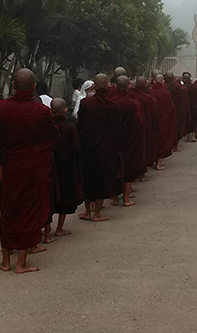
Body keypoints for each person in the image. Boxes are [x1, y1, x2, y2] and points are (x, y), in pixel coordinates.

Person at [0, 69, 60, 274]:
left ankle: (5, 261)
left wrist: (3, 162)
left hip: (10, 167)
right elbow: (53, 136)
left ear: (13, 85)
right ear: (33, 88)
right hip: (33, 168)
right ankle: (21, 263)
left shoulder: (0, 108)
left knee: (10, 210)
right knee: (29, 212)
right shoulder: (41, 112)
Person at [77, 74, 122, 222]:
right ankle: (97, 213)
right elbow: (117, 127)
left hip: (88, 147)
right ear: (108, 86)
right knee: (103, 179)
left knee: (88, 178)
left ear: (95, 87)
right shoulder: (113, 105)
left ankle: (87, 212)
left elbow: (80, 125)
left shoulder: (86, 103)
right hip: (107, 147)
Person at [50, 98, 84, 237]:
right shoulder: (69, 128)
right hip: (66, 167)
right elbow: (76, 149)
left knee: (49, 197)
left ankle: (46, 231)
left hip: (50, 166)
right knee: (64, 197)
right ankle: (59, 228)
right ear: (65, 111)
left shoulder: (47, 127)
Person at [111, 75, 146, 207]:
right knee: (129, 167)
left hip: (114, 140)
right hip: (129, 139)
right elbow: (139, 123)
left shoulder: (111, 101)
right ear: (128, 86)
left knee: (115, 167)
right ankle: (126, 199)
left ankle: (115, 199)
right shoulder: (132, 103)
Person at [150, 74, 177, 170]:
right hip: (163, 119)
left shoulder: (150, 92)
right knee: (163, 140)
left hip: (152, 120)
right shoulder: (165, 93)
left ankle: (153, 161)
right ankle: (159, 163)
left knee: (153, 139)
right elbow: (170, 107)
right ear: (162, 81)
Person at [132, 76, 160, 173]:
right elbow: (155, 114)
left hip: (134, 129)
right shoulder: (149, 99)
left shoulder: (132, 97)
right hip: (148, 126)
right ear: (145, 85)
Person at [165, 71, 186, 148]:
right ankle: (175, 145)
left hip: (166, 109)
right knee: (176, 126)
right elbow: (181, 99)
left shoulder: (165, 87)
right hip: (177, 108)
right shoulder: (177, 86)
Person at [182, 72, 197, 142]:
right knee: (194, 120)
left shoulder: (183, 88)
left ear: (184, 79)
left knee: (187, 121)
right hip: (194, 106)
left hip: (186, 106)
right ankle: (193, 136)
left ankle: (188, 137)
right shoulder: (194, 87)